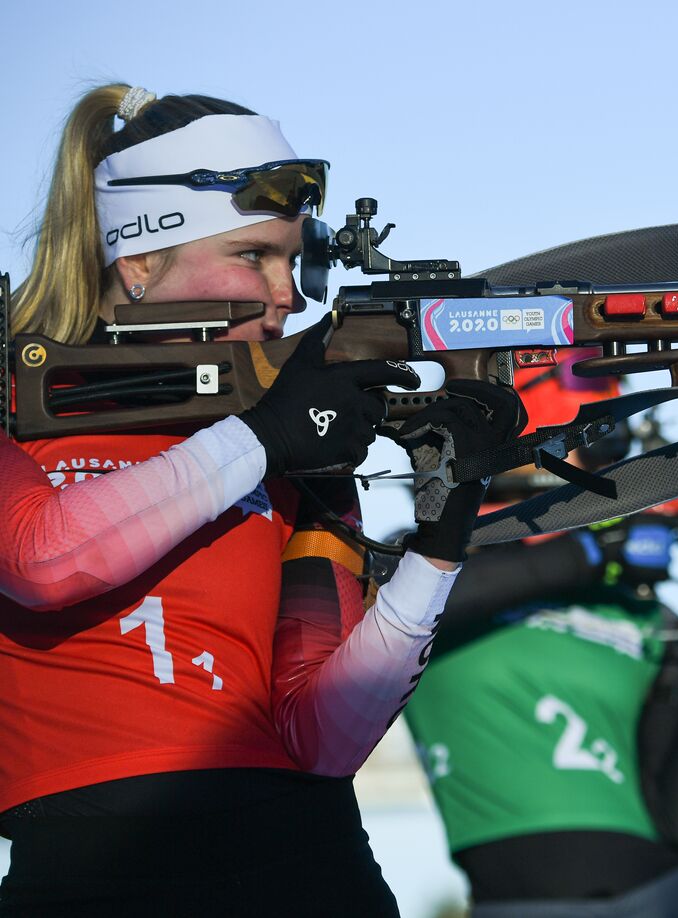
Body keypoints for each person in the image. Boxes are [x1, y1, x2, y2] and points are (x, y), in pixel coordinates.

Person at [0, 84, 523, 916]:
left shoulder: (291, 444)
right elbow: (42, 560)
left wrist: (440, 540)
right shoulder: (13, 398)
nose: (290, 296)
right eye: (254, 257)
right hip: (90, 871)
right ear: (137, 260)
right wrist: (264, 440)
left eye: (293, 259)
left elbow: (325, 738)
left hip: (304, 859)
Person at [400, 363, 678, 917]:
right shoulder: (414, 570)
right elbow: (414, 603)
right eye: (599, 449)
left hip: (673, 895)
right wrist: (589, 550)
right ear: (531, 448)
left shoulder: (644, 613)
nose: (614, 471)